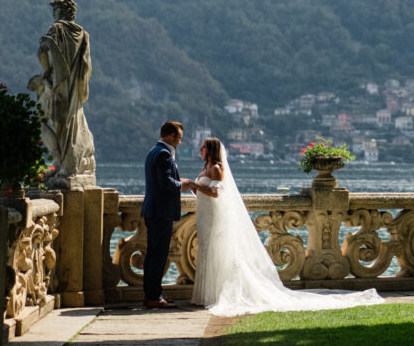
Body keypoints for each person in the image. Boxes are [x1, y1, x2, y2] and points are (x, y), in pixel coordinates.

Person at [188, 137, 389, 315]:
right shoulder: (205, 168)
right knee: (209, 250)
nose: (200, 150)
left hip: (215, 217)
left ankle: (216, 294)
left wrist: (194, 185)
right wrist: (194, 189)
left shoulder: (215, 169)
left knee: (218, 251)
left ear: (211, 150)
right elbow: (206, 193)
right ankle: (208, 294)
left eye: (203, 147)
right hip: (206, 216)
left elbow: (216, 194)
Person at [27, 0, 97, 189]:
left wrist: (46, 70)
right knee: (71, 123)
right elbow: (85, 66)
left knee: (45, 123)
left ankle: (61, 162)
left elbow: (42, 51)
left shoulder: (56, 29)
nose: (53, 15)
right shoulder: (83, 34)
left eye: (55, 11)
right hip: (75, 88)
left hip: (58, 85)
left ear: (60, 12)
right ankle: (68, 164)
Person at [141, 120, 193, 309]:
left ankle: (151, 295)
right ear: (171, 136)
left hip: (153, 210)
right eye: (179, 138)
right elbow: (165, 183)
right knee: (158, 256)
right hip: (161, 212)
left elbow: (162, 180)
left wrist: (177, 180)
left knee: (153, 255)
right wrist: (183, 186)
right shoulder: (163, 154)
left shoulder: (154, 151)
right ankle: (154, 296)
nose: (180, 142)